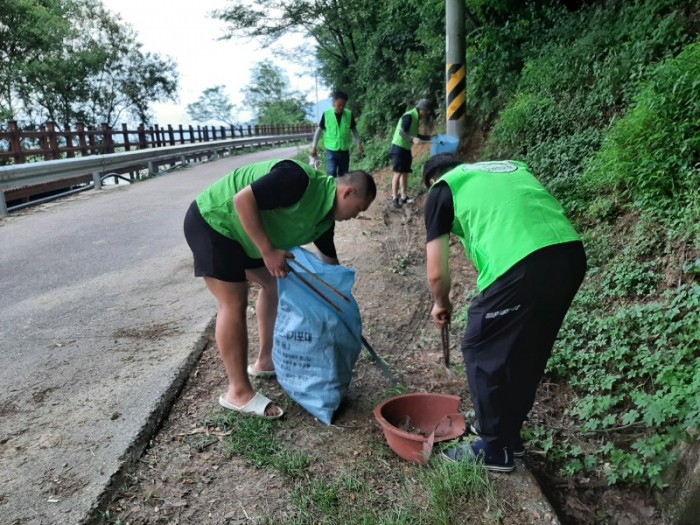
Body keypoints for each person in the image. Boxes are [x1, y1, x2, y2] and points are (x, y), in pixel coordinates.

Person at [422, 154, 587, 472]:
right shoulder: (506, 169)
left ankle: (495, 448)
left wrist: (441, 302)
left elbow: (436, 273)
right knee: (527, 349)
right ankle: (508, 436)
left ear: (432, 180)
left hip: (524, 264)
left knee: (480, 346)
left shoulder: (442, 190)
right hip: (570, 255)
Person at [183, 159, 376, 419]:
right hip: (215, 222)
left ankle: (265, 361)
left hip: (244, 236)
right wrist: (268, 251)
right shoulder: (298, 180)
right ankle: (237, 392)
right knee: (233, 301)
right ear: (348, 192)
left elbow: (331, 269)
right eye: (359, 208)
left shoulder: (323, 222)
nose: (356, 216)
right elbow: (243, 200)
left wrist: (343, 310)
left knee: (274, 284)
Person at [390, 99, 433, 209]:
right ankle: (394, 198)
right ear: (422, 109)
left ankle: (404, 197)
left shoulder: (416, 117)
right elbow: (402, 132)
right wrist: (412, 139)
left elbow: (415, 134)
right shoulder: (409, 116)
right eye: (427, 111)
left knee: (404, 172)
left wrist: (430, 138)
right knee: (397, 173)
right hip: (398, 147)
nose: (427, 114)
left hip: (406, 148)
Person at [310, 90, 363, 177]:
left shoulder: (349, 114)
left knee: (344, 175)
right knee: (331, 172)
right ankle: (332, 190)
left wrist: (359, 143)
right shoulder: (327, 114)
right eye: (339, 105)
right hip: (331, 150)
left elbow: (354, 130)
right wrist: (313, 146)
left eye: (343, 105)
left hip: (344, 151)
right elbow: (319, 131)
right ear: (334, 102)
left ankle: (341, 190)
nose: (341, 107)